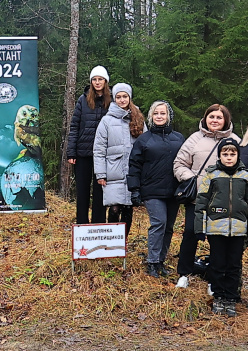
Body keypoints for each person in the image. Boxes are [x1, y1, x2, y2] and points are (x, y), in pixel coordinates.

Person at [173, 104, 239, 289]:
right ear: (205, 118)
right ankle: (184, 274)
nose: (215, 120)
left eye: (219, 117)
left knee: (217, 240)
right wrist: (193, 180)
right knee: (190, 234)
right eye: (212, 117)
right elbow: (179, 163)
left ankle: (214, 279)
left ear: (226, 120)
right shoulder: (195, 139)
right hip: (197, 199)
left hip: (223, 201)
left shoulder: (235, 141)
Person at [127, 101, 184, 277]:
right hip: (151, 190)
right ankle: (152, 262)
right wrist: (134, 190)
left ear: (169, 116)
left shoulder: (179, 138)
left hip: (174, 190)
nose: (159, 116)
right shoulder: (144, 139)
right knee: (159, 223)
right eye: (156, 113)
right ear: (151, 116)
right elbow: (134, 165)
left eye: (163, 113)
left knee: (168, 227)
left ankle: (160, 260)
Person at [195, 138, 248, 317]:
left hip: (239, 229)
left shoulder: (245, 176)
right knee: (217, 263)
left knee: (234, 265)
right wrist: (199, 227)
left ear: (238, 155)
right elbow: (201, 201)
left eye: (232, 154)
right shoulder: (211, 175)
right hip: (216, 228)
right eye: (225, 154)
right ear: (219, 156)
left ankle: (230, 298)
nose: (229, 157)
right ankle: (218, 296)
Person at [93, 82, 144, 237]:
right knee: (114, 208)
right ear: (114, 99)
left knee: (128, 208)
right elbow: (99, 149)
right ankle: (112, 240)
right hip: (113, 172)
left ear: (129, 98)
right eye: (118, 97)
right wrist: (100, 174)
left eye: (125, 96)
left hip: (132, 172)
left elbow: (145, 144)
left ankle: (123, 242)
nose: (122, 100)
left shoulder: (137, 118)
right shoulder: (106, 121)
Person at [67, 66, 111, 224]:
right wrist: (71, 152)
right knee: (82, 191)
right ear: (91, 82)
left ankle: (98, 224)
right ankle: (82, 224)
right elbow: (74, 126)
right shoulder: (83, 99)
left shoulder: (112, 101)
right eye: (94, 79)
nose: (97, 82)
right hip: (83, 152)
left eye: (100, 79)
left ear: (105, 81)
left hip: (104, 154)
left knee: (100, 191)